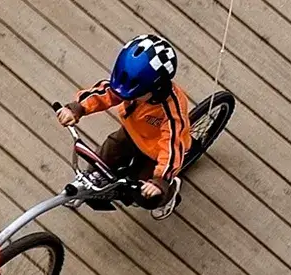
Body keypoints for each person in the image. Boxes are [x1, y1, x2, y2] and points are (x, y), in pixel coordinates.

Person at [54, 34, 192, 209]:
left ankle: (170, 192)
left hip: (156, 152)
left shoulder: (172, 112)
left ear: (156, 89)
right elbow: (107, 93)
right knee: (104, 156)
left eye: (134, 95)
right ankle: (91, 184)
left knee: (144, 197)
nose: (127, 96)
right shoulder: (136, 88)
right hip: (131, 133)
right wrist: (77, 108)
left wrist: (160, 180)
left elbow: (172, 146)